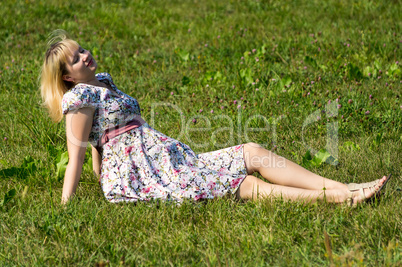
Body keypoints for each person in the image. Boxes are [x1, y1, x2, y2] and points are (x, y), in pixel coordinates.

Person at [39, 31, 390, 206]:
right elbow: (80, 154)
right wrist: (69, 205)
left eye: (82, 49)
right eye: (76, 59)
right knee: (243, 185)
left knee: (251, 151)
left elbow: (100, 142)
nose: (85, 56)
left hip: (166, 157)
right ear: (67, 76)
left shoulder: (103, 83)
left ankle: (341, 186)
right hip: (144, 171)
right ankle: (340, 197)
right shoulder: (78, 98)